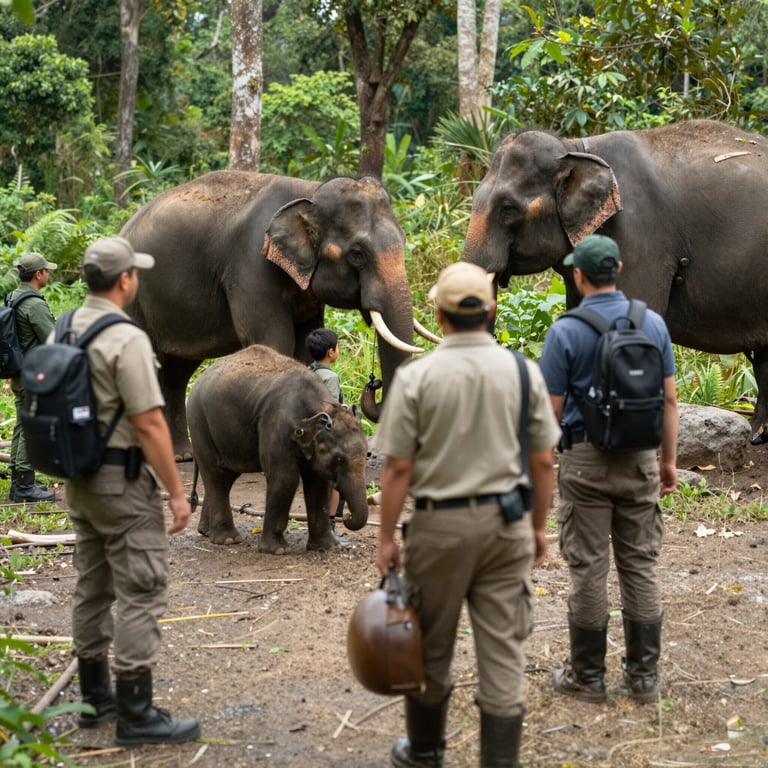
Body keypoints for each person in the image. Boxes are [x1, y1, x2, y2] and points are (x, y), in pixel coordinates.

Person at [374, 262, 560, 768]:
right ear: (492, 310)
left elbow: (396, 470)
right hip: (507, 527)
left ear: (438, 313)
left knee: (430, 645)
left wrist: (386, 538)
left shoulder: (416, 377)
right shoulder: (524, 372)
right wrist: (539, 528)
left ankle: (426, 752)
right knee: (503, 654)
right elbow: (544, 460)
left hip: (438, 529)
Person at [63, 236, 200, 746]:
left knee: (92, 587)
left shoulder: (67, 324)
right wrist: (177, 492)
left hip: (79, 478)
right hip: (122, 482)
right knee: (141, 589)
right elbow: (149, 422)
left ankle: (93, 700)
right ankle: (137, 713)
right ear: (125, 281)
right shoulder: (126, 338)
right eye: (135, 273)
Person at [538, 234, 678, 705]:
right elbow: (671, 401)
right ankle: (643, 678)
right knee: (640, 565)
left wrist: (544, 462)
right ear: (617, 270)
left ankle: (589, 676)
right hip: (640, 460)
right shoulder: (653, 323)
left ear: (578, 275)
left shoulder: (565, 331)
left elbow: (549, 414)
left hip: (584, 463)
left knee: (588, 569)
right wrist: (668, 462)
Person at [8, 252, 58, 503]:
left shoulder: (13, 297)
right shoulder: (34, 304)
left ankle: (18, 483)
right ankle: (25, 487)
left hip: (18, 374)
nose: (48, 273)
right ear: (38, 274)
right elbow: (53, 337)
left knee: (21, 426)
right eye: (46, 270)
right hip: (33, 374)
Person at [306, 327, 346, 526]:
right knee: (336, 478)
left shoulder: (307, 372)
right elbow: (328, 408)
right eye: (338, 347)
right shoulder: (330, 378)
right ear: (331, 352)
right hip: (324, 434)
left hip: (307, 432)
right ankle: (330, 522)